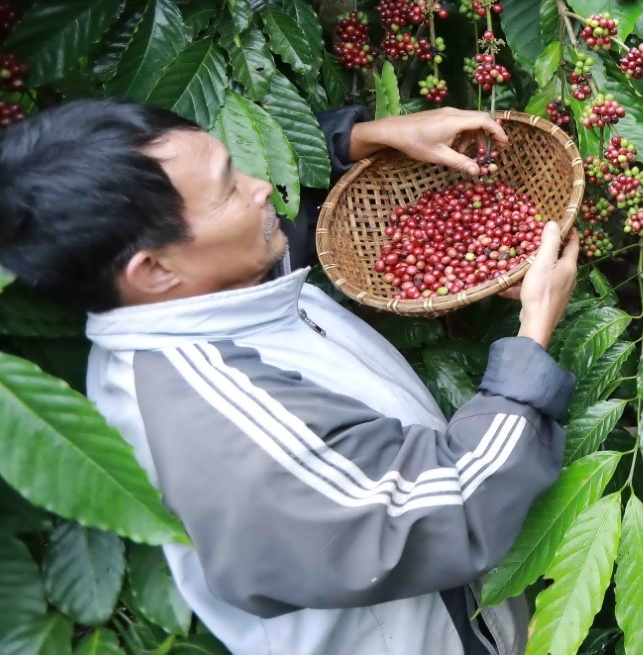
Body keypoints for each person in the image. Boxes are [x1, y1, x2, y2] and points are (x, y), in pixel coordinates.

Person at [0, 100, 580, 654]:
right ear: (153, 270)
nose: (261, 189)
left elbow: (280, 228)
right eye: (230, 188)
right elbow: (449, 512)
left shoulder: (205, 292)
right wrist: (532, 336)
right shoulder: (218, 428)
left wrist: (360, 140)